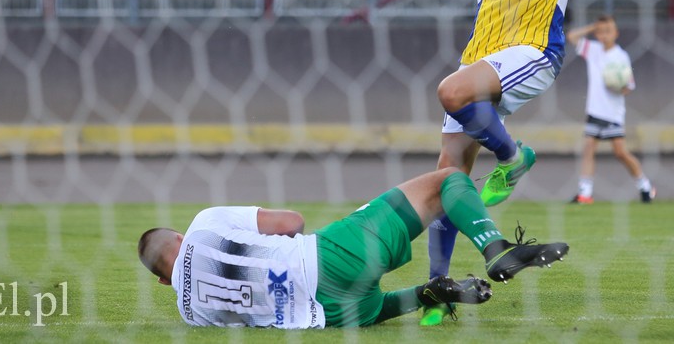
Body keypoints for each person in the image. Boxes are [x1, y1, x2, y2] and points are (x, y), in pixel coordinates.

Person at [405, 0, 658, 325]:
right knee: (446, 179)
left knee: (450, 90)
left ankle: (513, 156)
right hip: (483, 56)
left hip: (536, 51)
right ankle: (438, 285)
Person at [138, 167, 568, 328]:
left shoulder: (189, 313)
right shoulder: (202, 225)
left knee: (374, 305)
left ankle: (429, 293)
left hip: (327, 316)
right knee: (446, 182)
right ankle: (496, 250)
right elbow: (292, 223)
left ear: (162, 280)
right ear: (178, 237)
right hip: (326, 259)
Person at [566, 15, 655, 204]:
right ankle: (585, 193)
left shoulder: (620, 56)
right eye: (601, 31)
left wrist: (617, 86)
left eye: (608, 31)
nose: (604, 35)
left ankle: (645, 186)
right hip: (594, 110)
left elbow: (628, 87)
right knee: (588, 148)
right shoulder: (593, 50)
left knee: (620, 152)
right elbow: (572, 36)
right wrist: (592, 27)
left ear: (616, 33)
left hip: (612, 112)